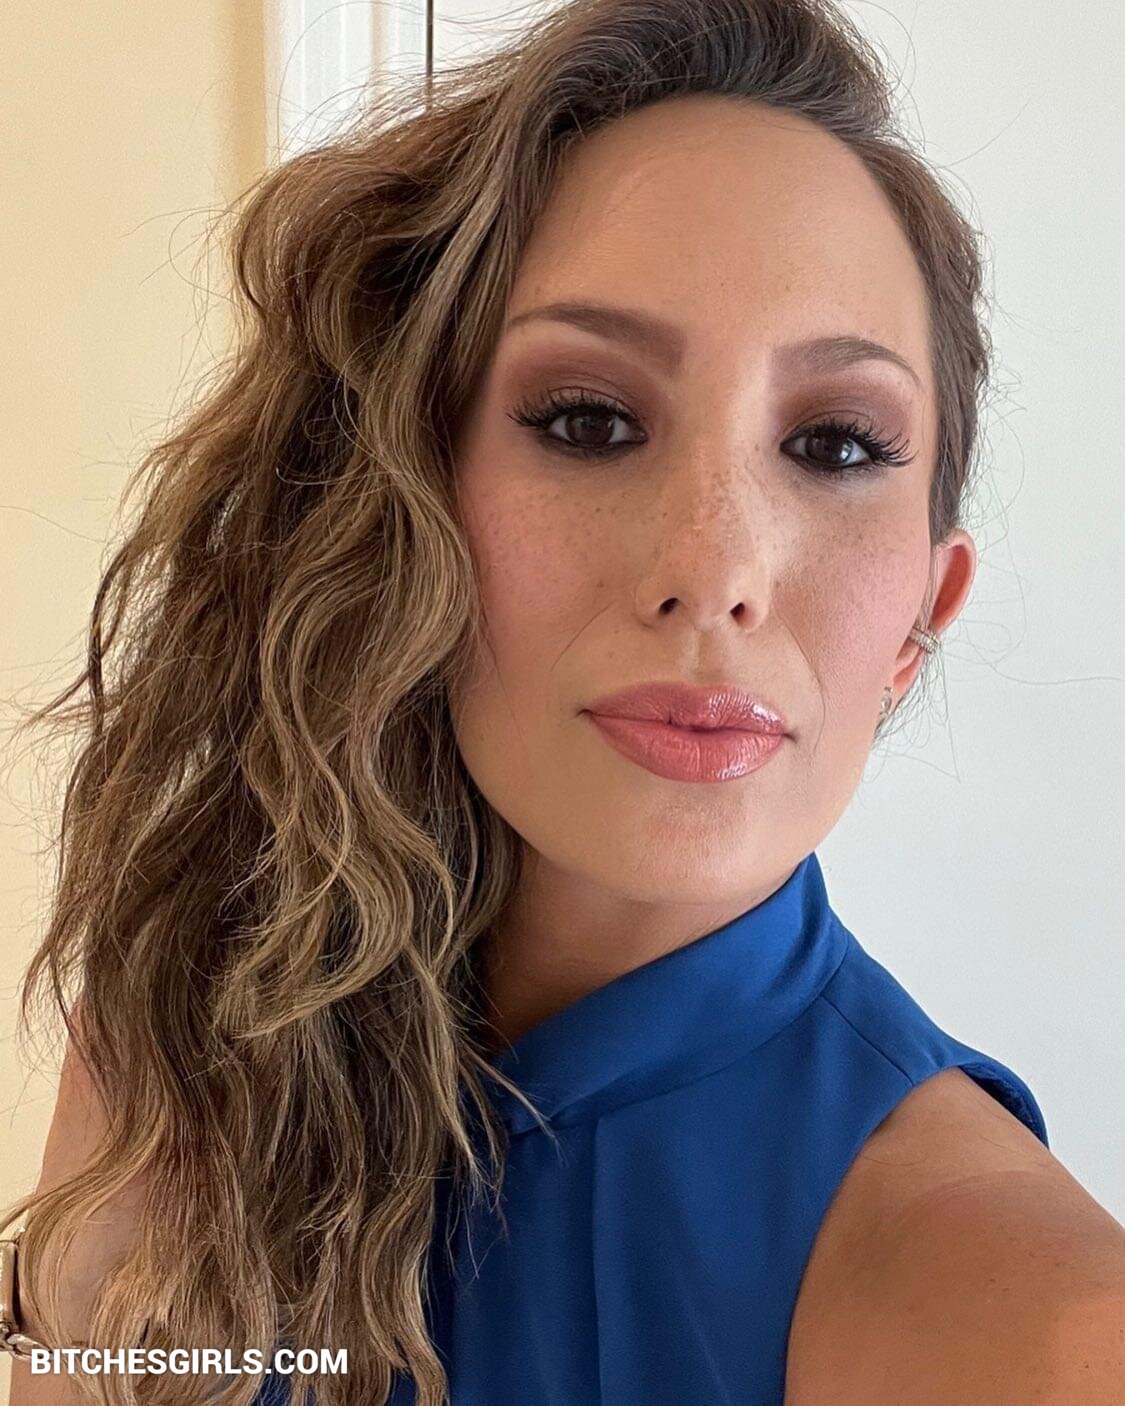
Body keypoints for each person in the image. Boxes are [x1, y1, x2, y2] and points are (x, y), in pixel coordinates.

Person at [4, 1, 1122, 1403]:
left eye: (836, 444)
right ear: (400, 508)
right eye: (588, 419)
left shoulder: (1025, 1314)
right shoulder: (185, 1033)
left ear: (921, 617)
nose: (714, 571)